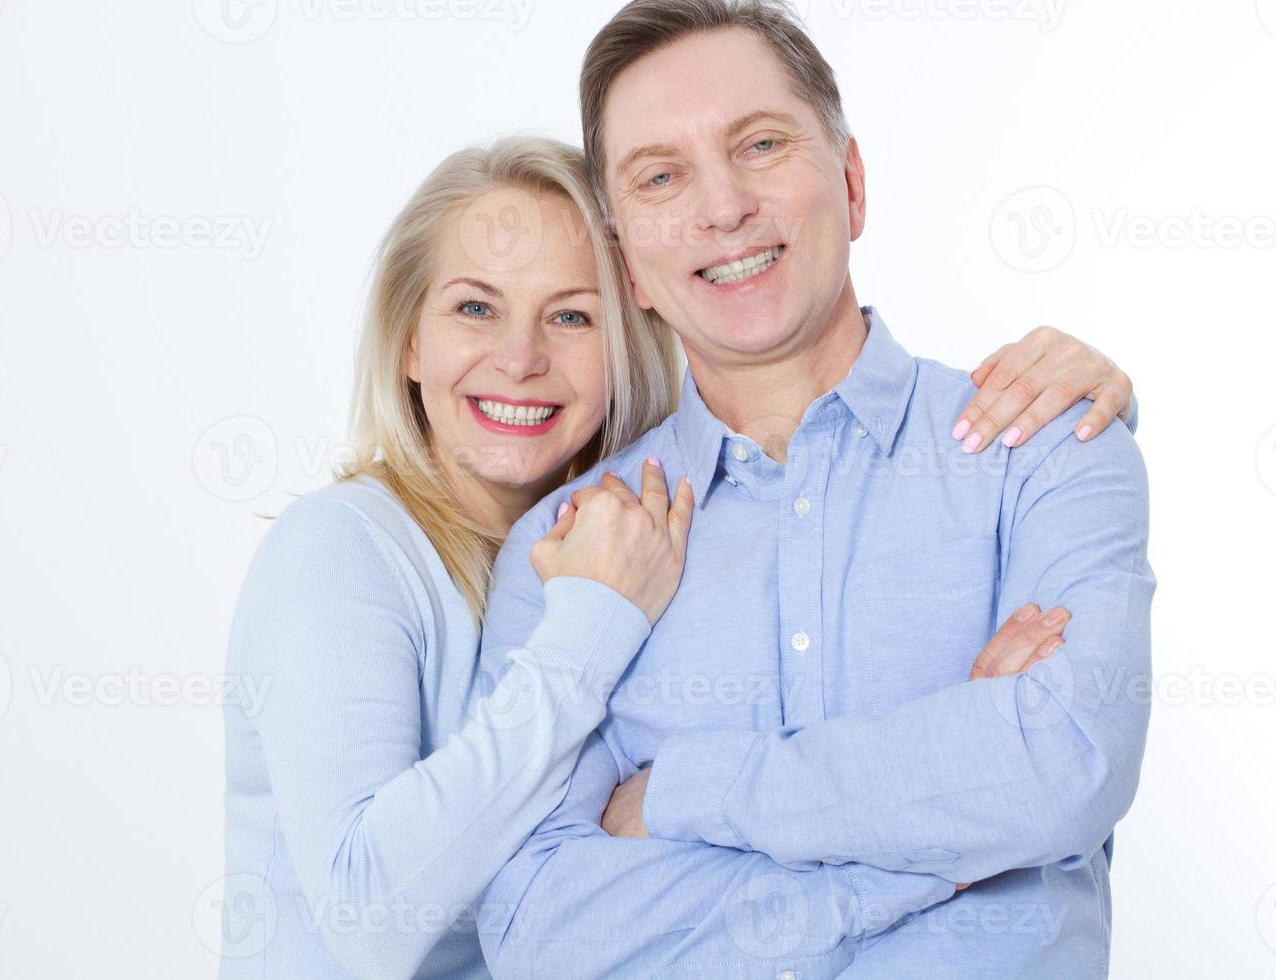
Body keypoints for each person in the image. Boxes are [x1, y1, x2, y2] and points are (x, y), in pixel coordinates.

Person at [220, 141, 1134, 980]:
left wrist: (1080, 414)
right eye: (474, 307)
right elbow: (388, 915)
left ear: (628, 331)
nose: (521, 358)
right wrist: (958, 850)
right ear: (409, 339)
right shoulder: (342, 551)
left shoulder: (626, 531)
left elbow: (1062, 771)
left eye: (571, 316)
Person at [476, 2, 1154, 978]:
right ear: (629, 267)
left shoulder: (1048, 445)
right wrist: (943, 833)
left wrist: (679, 791)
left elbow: (1066, 765)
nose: (723, 207)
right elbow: (538, 925)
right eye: (662, 175)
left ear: (850, 181)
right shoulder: (565, 549)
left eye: (759, 145)